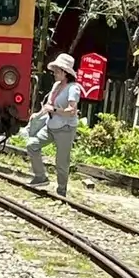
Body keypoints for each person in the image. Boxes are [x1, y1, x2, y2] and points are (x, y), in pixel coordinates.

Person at [26, 52, 82, 197]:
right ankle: (40, 176)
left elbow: (72, 111)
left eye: (57, 70)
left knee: (61, 162)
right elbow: (48, 105)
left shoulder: (73, 88)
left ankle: (61, 190)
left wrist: (55, 110)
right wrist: (38, 115)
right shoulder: (56, 85)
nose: (54, 73)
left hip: (65, 128)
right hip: (51, 125)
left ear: (65, 73)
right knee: (32, 145)